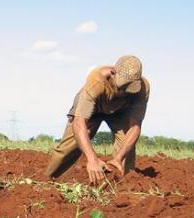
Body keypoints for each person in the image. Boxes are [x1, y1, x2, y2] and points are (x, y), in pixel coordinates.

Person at [45, 55, 150, 183]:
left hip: (120, 111)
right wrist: (92, 159)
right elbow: (79, 122)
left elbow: (135, 127)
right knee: (69, 146)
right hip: (93, 109)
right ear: (113, 73)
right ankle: (47, 180)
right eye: (122, 87)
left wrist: (118, 158)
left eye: (129, 89)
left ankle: (124, 185)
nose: (123, 93)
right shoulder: (96, 80)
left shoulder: (143, 89)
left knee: (126, 146)